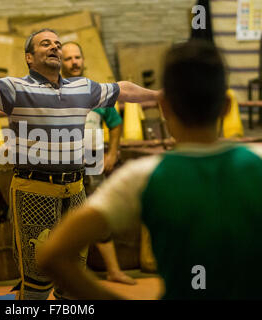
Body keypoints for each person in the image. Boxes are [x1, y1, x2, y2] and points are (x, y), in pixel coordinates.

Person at [0, 28, 159, 300]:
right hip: (34, 192)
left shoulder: (83, 87)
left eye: (57, 44)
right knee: (37, 282)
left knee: (73, 278)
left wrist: (157, 97)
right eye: (45, 44)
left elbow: (124, 89)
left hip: (75, 192)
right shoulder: (14, 88)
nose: (54, 48)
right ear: (29, 57)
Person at [37, 39, 262, 299]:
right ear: (227, 106)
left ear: (163, 106)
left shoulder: (142, 177)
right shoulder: (256, 164)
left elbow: (51, 255)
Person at [61, 41, 136, 285]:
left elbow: (115, 124)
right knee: (63, 218)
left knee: (98, 214)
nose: (74, 62)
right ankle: (66, 273)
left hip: (93, 163)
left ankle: (113, 270)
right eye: (68, 58)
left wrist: (112, 153)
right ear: (60, 63)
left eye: (77, 57)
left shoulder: (97, 93)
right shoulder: (54, 94)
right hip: (62, 166)